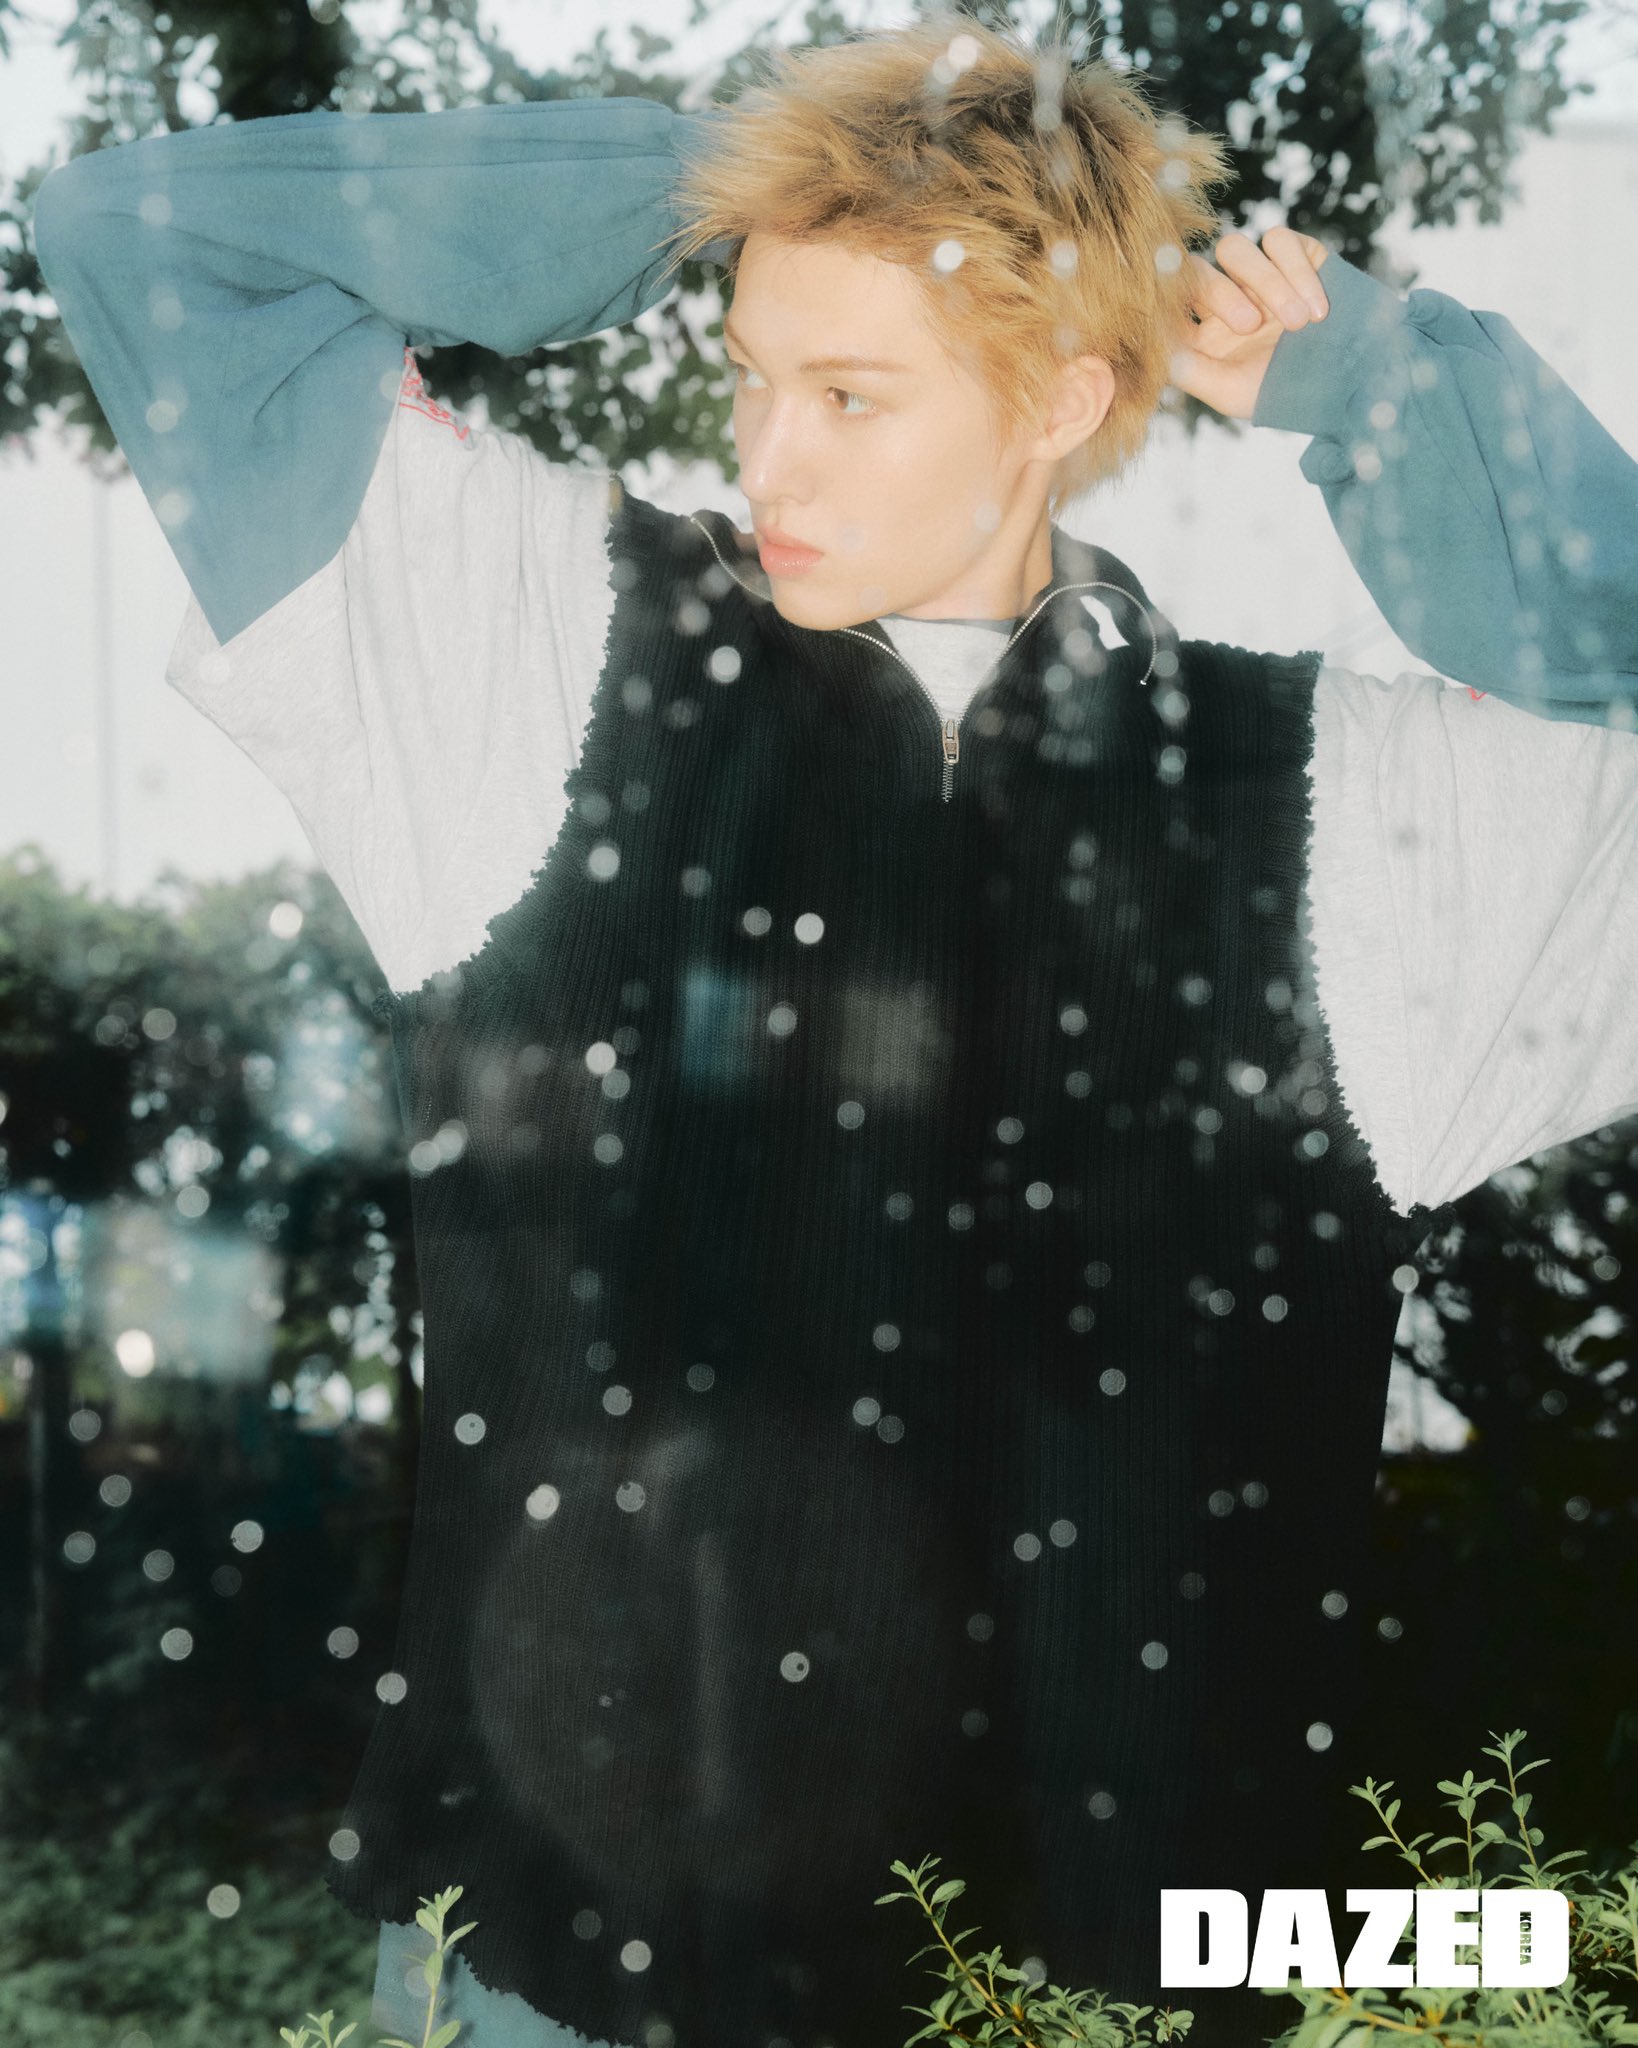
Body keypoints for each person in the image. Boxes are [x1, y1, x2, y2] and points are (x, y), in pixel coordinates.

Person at [31, 13, 1638, 2048]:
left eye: (853, 395)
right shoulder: (541, 654)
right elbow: (148, 242)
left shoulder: (1344, 805)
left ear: (1063, 394)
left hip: (1125, 1990)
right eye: (753, 376)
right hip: (561, 1971)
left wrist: (1380, 387)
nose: (767, 460)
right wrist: (740, 174)